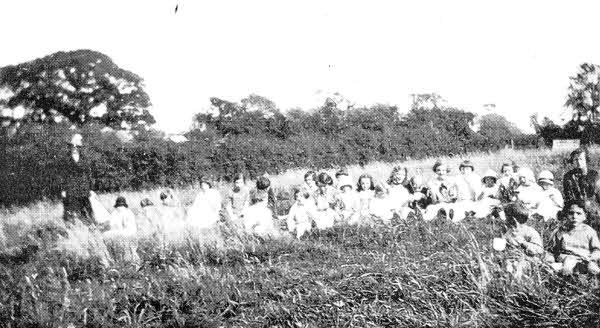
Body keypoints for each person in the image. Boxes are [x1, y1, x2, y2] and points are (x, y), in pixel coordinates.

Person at [552, 200, 600, 275]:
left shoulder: (589, 231)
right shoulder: (561, 230)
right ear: (566, 215)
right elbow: (554, 249)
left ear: (584, 216)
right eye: (571, 213)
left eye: (578, 214)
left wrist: (592, 259)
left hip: (583, 260)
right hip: (566, 258)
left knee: (594, 270)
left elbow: (597, 250)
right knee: (567, 264)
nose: (574, 216)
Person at [498, 202, 544, 279]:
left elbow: (539, 250)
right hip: (511, 260)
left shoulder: (530, 232)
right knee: (505, 266)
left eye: (507, 217)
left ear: (513, 219)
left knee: (518, 267)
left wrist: (523, 243)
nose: (506, 220)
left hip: (528, 260)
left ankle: (517, 285)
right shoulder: (508, 233)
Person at [60, 133, 95, 227]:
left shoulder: (85, 159)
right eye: (73, 146)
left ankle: (90, 225)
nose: (74, 148)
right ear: (70, 147)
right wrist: (63, 189)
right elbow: (63, 175)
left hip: (83, 187)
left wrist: (91, 188)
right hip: (71, 187)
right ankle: (70, 226)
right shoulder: (66, 159)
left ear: (79, 148)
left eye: (77, 147)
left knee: (86, 208)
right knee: (70, 208)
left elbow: (89, 174)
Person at [563, 148, 600, 227]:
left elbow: (598, 193)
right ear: (572, 161)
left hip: (592, 206)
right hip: (576, 207)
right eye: (576, 160)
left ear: (586, 160)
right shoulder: (568, 177)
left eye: (581, 159)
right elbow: (569, 196)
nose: (579, 162)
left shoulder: (594, 175)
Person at [103, 196, 140, 264]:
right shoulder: (129, 212)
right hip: (130, 235)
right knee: (130, 253)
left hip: (118, 235)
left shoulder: (114, 213)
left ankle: (118, 262)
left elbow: (112, 226)